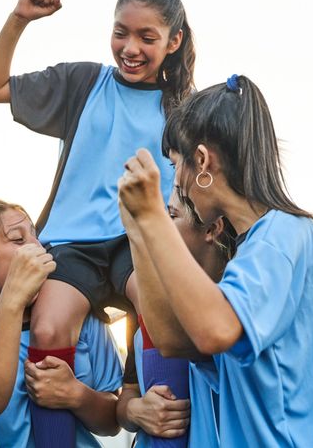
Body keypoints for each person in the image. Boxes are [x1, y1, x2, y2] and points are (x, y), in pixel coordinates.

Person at [0, 0, 195, 447]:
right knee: (51, 326)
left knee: (162, 314)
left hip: (141, 243)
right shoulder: (83, 83)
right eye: (121, 33)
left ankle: (163, 437)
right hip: (72, 245)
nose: (130, 48)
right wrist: (20, 19)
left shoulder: (186, 110)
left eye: (147, 38)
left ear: (174, 42)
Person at [118, 75, 313, 447]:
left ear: (202, 161)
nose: (176, 182)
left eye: (177, 165)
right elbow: (172, 342)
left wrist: (152, 216)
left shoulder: (282, 235)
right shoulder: (255, 251)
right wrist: (138, 232)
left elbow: (213, 329)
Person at [0, 199, 124, 448]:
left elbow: (112, 423)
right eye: (18, 240)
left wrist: (75, 394)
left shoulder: (76, 312)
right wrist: (14, 298)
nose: (39, 248)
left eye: (36, 237)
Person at [118, 189, 235, 447]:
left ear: (212, 229)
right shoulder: (149, 299)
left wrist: (138, 238)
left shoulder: (234, 307)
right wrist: (136, 411)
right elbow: (128, 394)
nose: (160, 229)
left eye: (171, 216)